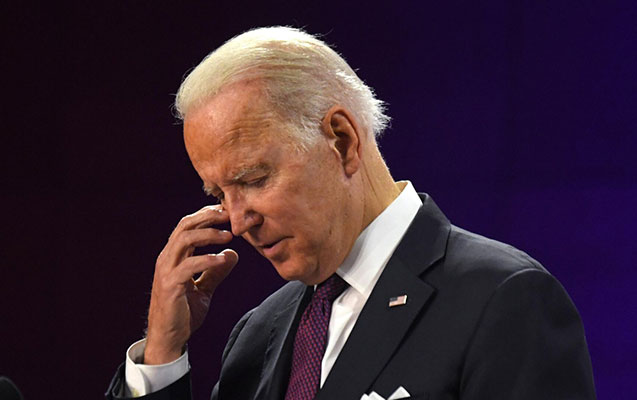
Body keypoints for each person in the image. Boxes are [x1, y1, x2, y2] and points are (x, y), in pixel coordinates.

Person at [106, 26, 596, 399]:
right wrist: (162, 353)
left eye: (253, 180)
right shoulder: (257, 336)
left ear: (342, 140)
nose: (237, 222)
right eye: (219, 193)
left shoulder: (503, 300)